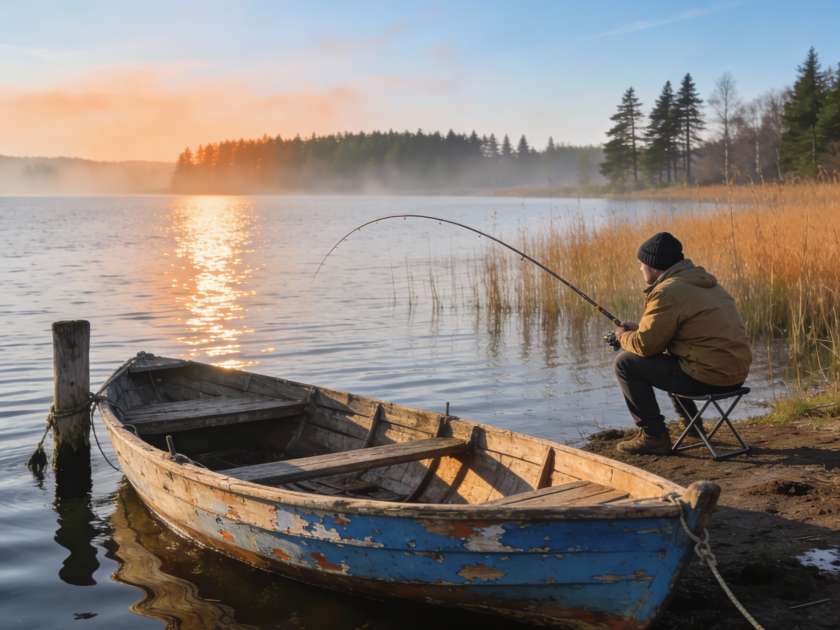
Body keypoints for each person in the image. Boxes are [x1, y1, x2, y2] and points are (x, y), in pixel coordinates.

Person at [612, 232, 752, 455]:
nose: (640, 268)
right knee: (674, 358)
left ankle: (654, 436)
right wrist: (639, 329)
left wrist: (622, 336)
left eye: (642, 263)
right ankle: (693, 427)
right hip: (735, 375)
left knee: (625, 363)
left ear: (653, 266)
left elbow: (646, 346)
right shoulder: (704, 283)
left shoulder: (667, 291)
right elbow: (686, 333)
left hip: (710, 378)